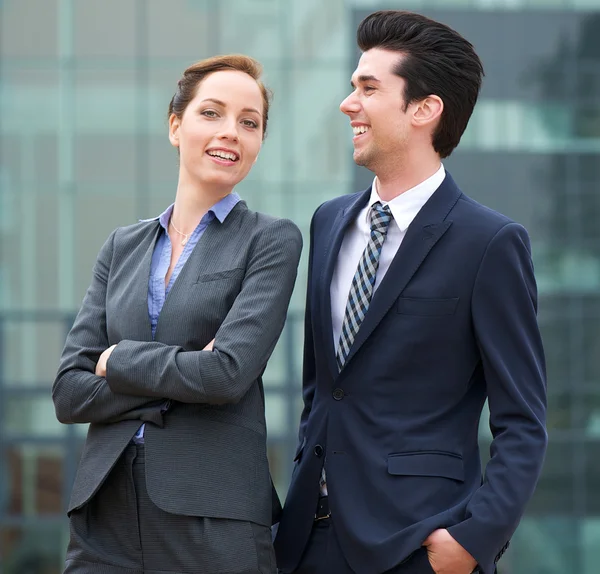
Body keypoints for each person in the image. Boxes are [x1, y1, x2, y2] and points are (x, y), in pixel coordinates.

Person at [274, 11, 547, 574]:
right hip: (306, 542)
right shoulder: (328, 223)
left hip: (417, 545)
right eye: (353, 86)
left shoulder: (490, 243)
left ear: (425, 109)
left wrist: (474, 539)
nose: (348, 104)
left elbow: (523, 421)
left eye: (368, 89)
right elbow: (322, 391)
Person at [52, 54, 303, 574]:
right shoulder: (121, 246)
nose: (231, 132)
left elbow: (225, 374)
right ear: (175, 126)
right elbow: (70, 391)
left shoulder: (269, 240)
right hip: (106, 513)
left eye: (249, 122)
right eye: (212, 113)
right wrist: (182, 374)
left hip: (212, 516)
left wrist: (117, 359)